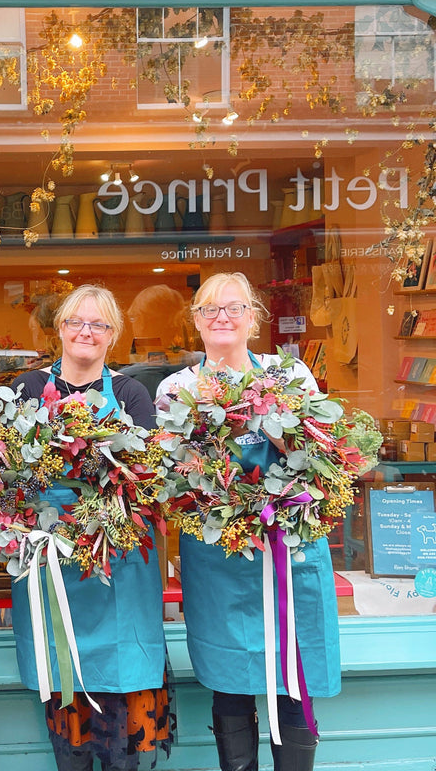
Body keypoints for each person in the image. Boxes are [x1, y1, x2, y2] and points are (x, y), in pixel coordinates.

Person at [155, 272, 339, 771]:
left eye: (234, 308)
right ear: (195, 321)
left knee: (292, 678)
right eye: (210, 309)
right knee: (231, 679)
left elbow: (324, 458)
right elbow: (172, 479)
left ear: (253, 318)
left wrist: (278, 424)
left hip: (289, 551)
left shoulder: (292, 377)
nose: (221, 318)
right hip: (218, 553)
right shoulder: (177, 389)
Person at [9, 284, 174, 771]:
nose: (86, 331)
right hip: (52, 562)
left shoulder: (130, 393)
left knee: (122, 706)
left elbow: (150, 476)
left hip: (117, 562)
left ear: (112, 335)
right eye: (76, 322)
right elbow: (5, 475)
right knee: (69, 720)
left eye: (98, 324)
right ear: (59, 328)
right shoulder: (26, 389)